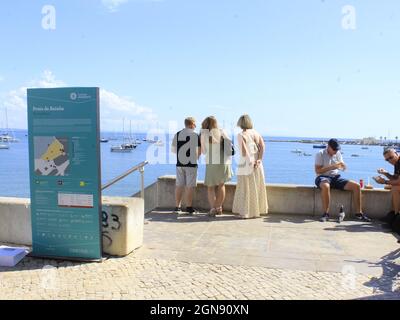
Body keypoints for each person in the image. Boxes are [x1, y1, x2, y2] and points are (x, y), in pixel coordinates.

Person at [315, 138, 371, 222]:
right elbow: (318, 170)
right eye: (334, 149)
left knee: (356, 186)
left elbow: (341, 165)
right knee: (326, 186)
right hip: (322, 177)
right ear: (328, 146)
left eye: (337, 149)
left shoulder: (338, 153)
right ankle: (326, 214)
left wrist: (343, 166)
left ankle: (359, 213)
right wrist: (333, 166)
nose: (335, 151)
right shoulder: (320, 154)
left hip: (335, 177)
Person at [232, 115, 268, 219]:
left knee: (245, 188)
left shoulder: (241, 135)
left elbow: (244, 152)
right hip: (258, 164)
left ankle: (246, 213)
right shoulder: (256, 133)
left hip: (246, 164)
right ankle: (256, 211)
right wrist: (259, 159)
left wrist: (251, 162)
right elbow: (262, 147)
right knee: (256, 187)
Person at [200, 116, 233, 216]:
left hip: (211, 162)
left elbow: (204, 151)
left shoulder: (203, 134)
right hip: (224, 161)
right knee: (221, 185)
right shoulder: (222, 131)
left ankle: (213, 209)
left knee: (210, 187)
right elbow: (229, 145)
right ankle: (218, 208)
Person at [171, 117, 201, 214]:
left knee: (179, 185)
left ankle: (177, 207)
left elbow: (173, 150)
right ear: (191, 124)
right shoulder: (195, 135)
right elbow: (199, 151)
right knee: (190, 186)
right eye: (195, 124)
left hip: (180, 164)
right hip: (191, 164)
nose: (196, 126)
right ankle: (189, 207)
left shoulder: (177, 134)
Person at [374, 148, 400, 220]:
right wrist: (385, 173)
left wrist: (384, 182)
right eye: (387, 160)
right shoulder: (396, 163)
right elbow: (395, 179)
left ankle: (396, 216)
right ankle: (393, 214)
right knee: (393, 187)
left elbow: (398, 182)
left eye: (391, 157)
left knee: (395, 188)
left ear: (397, 154)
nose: (390, 160)